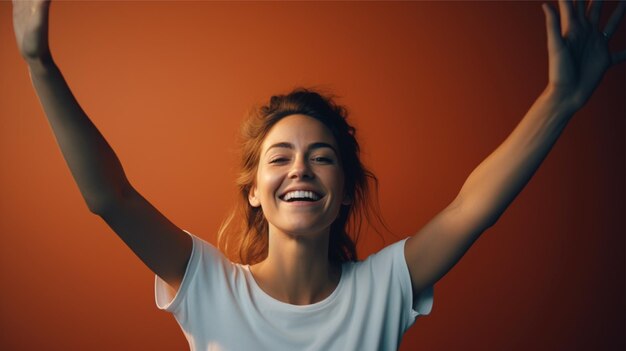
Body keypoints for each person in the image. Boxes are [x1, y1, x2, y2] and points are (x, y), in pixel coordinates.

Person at [11, 0, 624, 350]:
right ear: (253, 192)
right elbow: (109, 197)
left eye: (321, 156)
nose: (299, 168)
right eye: (279, 157)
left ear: (344, 193)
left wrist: (560, 101)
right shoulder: (209, 289)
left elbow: (471, 208)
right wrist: (38, 61)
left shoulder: (384, 290)